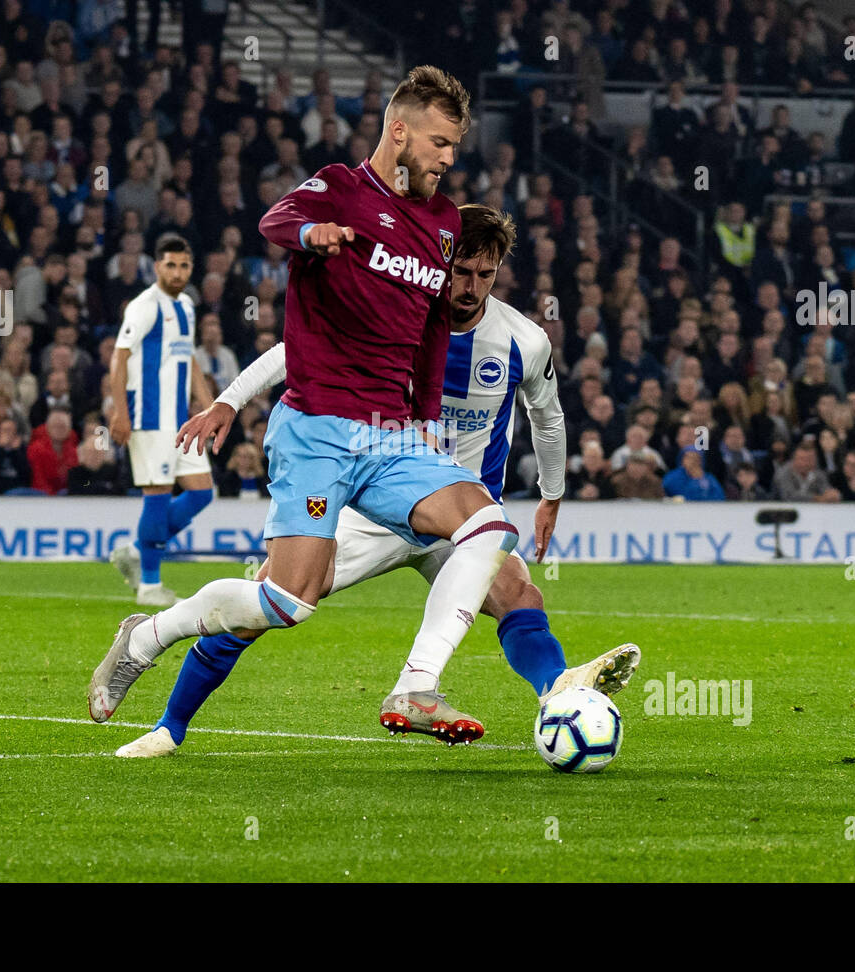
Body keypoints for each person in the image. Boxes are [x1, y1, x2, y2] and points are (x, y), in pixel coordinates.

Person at [89, 69, 547, 756]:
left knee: (486, 524)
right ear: (400, 132)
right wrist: (312, 237)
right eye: (440, 143)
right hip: (318, 429)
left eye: (456, 145)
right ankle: (147, 634)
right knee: (286, 602)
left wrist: (422, 419)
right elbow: (273, 220)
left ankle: (416, 685)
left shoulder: (445, 222)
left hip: (393, 434)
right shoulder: (341, 186)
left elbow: (427, 334)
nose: (450, 158)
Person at [130, 205, 642, 758]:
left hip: (459, 518)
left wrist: (551, 494)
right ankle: (169, 724)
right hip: (373, 504)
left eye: (484, 275)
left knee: (520, 594)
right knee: (272, 604)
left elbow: (550, 417)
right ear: (440, 261)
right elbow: (294, 351)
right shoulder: (398, 315)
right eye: (461, 271)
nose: (470, 286)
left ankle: (558, 693)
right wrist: (228, 400)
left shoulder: (523, 341)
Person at [105, 236, 216, 606]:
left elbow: (190, 360)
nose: (178, 272)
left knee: (201, 492)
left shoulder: (186, 305)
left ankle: (136, 550)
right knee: (157, 496)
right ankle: (150, 586)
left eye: (184, 265)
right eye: (171, 265)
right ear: (156, 267)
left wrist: (211, 406)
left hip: (179, 420)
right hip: (148, 416)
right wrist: (120, 412)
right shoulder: (144, 306)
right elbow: (119, 359)